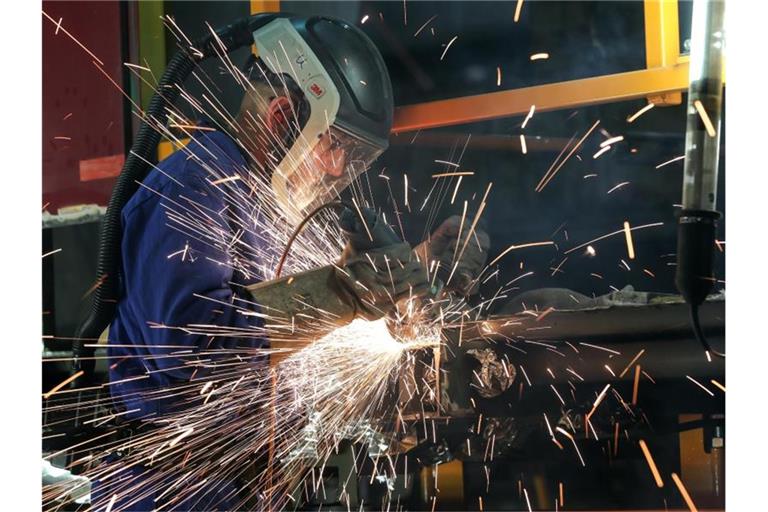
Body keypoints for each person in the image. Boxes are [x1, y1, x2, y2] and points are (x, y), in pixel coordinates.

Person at [97, 15, 489, 511]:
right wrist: (344, 294)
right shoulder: (195, 186)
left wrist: (414, 268)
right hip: (171, 495)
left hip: (244, 491)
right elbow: (190, 345)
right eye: (336, 145)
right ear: (283, 117)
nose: (340, 169)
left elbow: (299, 319)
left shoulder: (273, 202)